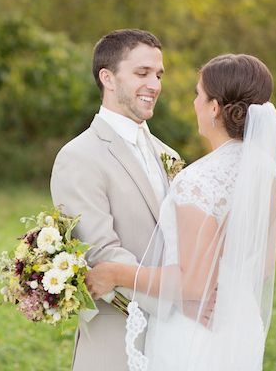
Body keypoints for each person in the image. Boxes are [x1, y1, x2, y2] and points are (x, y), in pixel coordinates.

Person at [87, 54, 276, 370]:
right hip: (240, 321)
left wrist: (115, 273)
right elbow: (263, 265)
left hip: (196, 330)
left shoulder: (199, 180)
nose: (195, 102)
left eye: (198, 94)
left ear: (214, 107)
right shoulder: (271, 177)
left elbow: (193, 285)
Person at [50, 29, 180, 371]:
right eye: (142, 73)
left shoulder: (168, 154)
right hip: (117, 346)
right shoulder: (78, 157)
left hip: (178, 344)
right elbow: (101, 253)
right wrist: (181, 299)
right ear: (107, 77)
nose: (154, 84)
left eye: (158, 75)